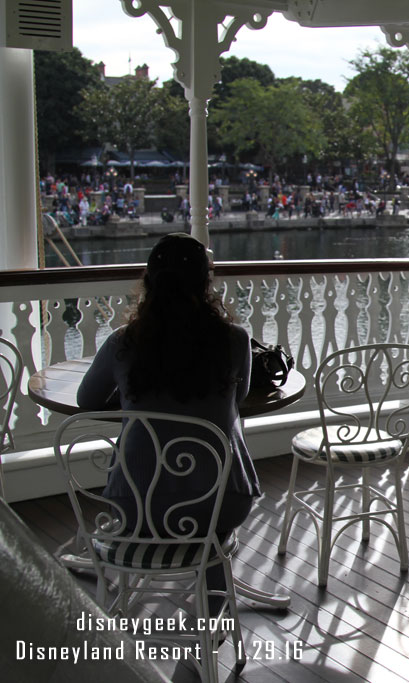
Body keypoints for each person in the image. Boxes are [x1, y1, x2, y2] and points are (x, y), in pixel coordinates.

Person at [77, 233, 257, 613]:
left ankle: (129, 617)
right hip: (221, 504)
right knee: (211, 532)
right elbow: (236, 404)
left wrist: (133, 399)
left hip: (137, 505)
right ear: (206, 283)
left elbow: (87, 401)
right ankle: (213, 626)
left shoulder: (122, 343)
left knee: (165, 500)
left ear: (149, 280)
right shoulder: (235, 340)